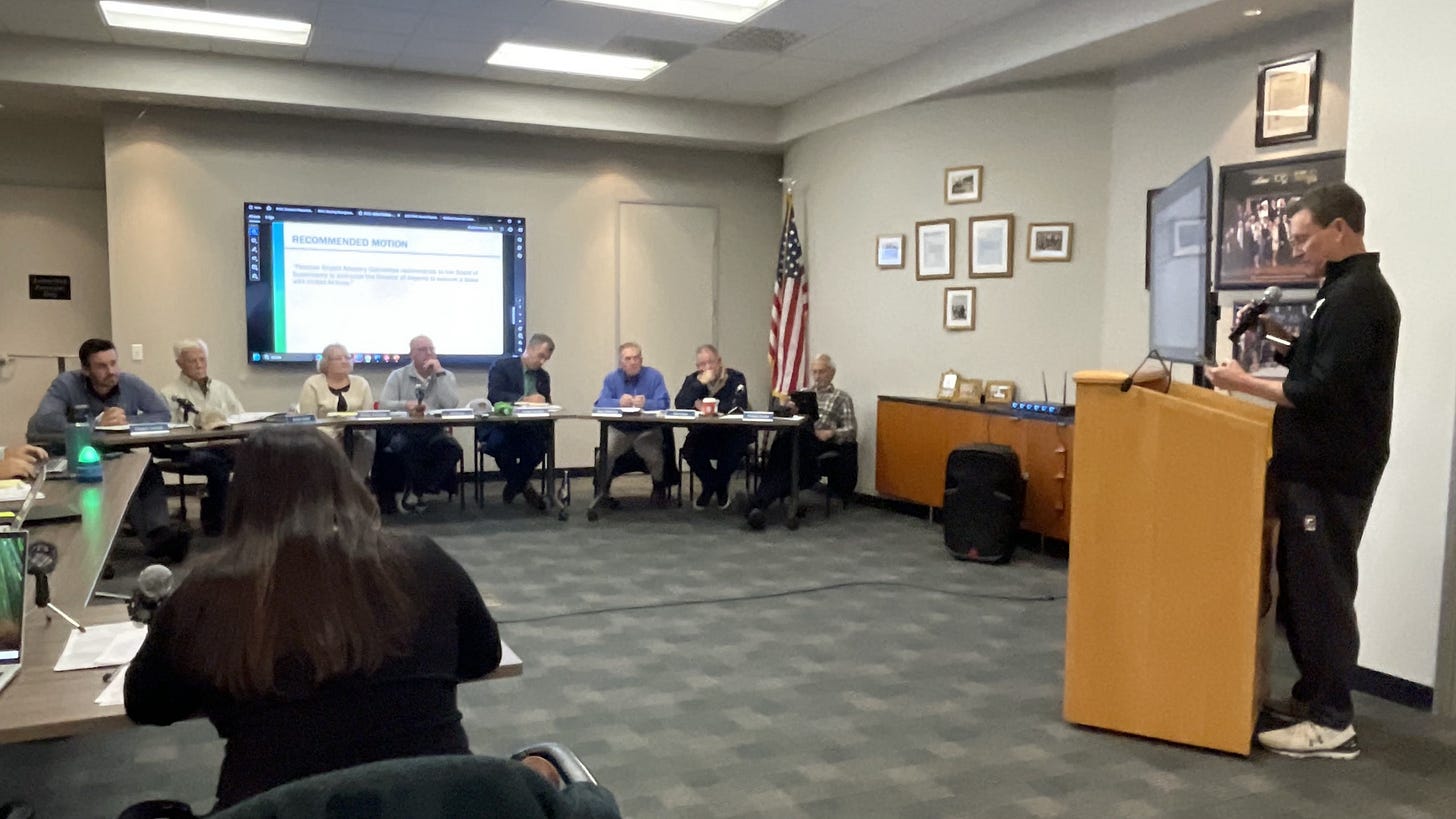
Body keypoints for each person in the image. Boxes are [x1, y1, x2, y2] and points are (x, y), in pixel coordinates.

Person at [124, 425, 504, 810]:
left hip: (274, 808)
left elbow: (146, 704)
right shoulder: (422, 560)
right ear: (344, 481)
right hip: (433, 803)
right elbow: (483, 657)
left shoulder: (206, 590)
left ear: (243, 496)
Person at [1207, 182, 1399, 760]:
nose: (1297, 250)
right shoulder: (1338, 290)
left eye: (1303, 237)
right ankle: (1313, 696)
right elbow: (1322, 360)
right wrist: (1273, 338)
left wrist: (1244, 383)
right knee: (1304, 592)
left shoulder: (1360, 296)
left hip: (1332, 471)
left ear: (1339, 229)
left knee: (1323, 594)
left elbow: (1321, 391)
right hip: (1313, 465)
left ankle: (1333, 722)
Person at [25, 338, 190, 561]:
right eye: (102, 366)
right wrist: (97, 423)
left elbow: (162, 413)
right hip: (74, 454)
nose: (111, 371)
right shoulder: (66, 384)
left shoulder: (129, 383)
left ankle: (160, 532)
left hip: (115, 452)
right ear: (85, 369)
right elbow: (44, 420)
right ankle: (153, 541)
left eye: (114, 363)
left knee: (145, 469)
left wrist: (126, 421)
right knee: (120, 476)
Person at [743, 354, 857, 530]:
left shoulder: (841, 398)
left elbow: (851, 430)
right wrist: (790, 410)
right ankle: (759, 506)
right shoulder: (803, 394)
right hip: (796, 436)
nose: (817, 376)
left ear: (832, 373)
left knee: (787, 456)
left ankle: (757, 504)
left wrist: (831, 432)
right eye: (814, 372)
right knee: (782, 455)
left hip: (819, 441)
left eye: (821, 372)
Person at [158, 339, 243, 536]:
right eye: (192, 361)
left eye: (202, 359)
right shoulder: (169, 393)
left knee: (254, 456)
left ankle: (244, 517)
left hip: (223, 444)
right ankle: (217, 522)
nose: (199, 365)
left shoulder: (222, 389)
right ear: (179, 363)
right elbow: (168, 430)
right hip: (190, 449)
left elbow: (240, 416)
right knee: (216, 464)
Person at [376, 335, 464, 513]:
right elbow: (384, 404)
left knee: (453, 449)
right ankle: (413, 490)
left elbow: (451, 404)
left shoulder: (445, 376)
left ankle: (418, 489)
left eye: (432, 349)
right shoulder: (398, 376)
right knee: (407, 447)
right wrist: (406, 405)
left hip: (433, 430)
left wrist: (439, 374)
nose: (429, 353)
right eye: (422, 350)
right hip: (404, 429)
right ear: (412, 355)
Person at [481, 333, 554, 510]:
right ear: (529, 349)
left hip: (530, 427)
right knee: (501, 446)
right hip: (503, 425)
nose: (542, 362)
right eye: (541, 356)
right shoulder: (503, 366)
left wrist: (545, 403)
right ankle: (524, 486)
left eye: (546, 359)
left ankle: (515, 484)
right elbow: (495, 394)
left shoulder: (543, 376)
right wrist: (523, 399)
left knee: (541, 445)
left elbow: (547, 401)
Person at [593, 342, 671, 506]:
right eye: (628, 358)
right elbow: (600, 404)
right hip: (620, 429)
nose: (633, 362)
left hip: (647, 429)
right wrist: (618, 403)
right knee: (605, 454)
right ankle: (602, 491)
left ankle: (658, 488)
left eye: (636, 358)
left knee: (654, 454)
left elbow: (664, 403)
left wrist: (646, 403)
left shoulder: (655, 376)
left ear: (641, 360)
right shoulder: (611, 378)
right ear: (621, 362)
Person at [674, 344, 750, 510]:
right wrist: (699, 385)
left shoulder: (736, 378)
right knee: (689, 450)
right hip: (704, 431)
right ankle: (713, 484)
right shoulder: (693, 380)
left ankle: (716, 487)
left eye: (711, 362)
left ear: (719, 362)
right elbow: (681, 404)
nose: (707, 367)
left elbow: (738, 404)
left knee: (734, 450)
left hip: (732, 431)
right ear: (697, 367)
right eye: (702, 364)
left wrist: (710, 408)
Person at [298, 343, 376, 478]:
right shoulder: (313, 383)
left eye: (347, 357)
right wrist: (334, 434)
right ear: (326, 363)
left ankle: (356, 485)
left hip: (356, 434)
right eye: (338, 358)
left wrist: (348, 432)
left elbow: (367, 416)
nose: (344, 361)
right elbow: (308, 420)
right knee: (324, 445)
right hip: (322, 434)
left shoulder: (361, 383)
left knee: (367, 444)